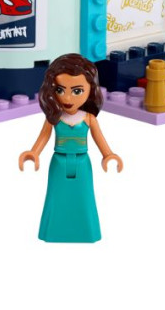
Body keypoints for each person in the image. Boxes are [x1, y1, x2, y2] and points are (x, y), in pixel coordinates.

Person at [18, 53, 123, 242]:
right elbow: (44, 136)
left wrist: (108, 155)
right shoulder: (54, 118)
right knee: (55, 197)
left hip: (82, 163)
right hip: (59, 162)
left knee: (84, 197)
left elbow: (99, 138)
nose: (67, 97)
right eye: (59, 90)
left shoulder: (88, 118)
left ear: (90, 90)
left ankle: (86, 232)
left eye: (77, 91)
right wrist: (34, 152)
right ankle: (53, 232)